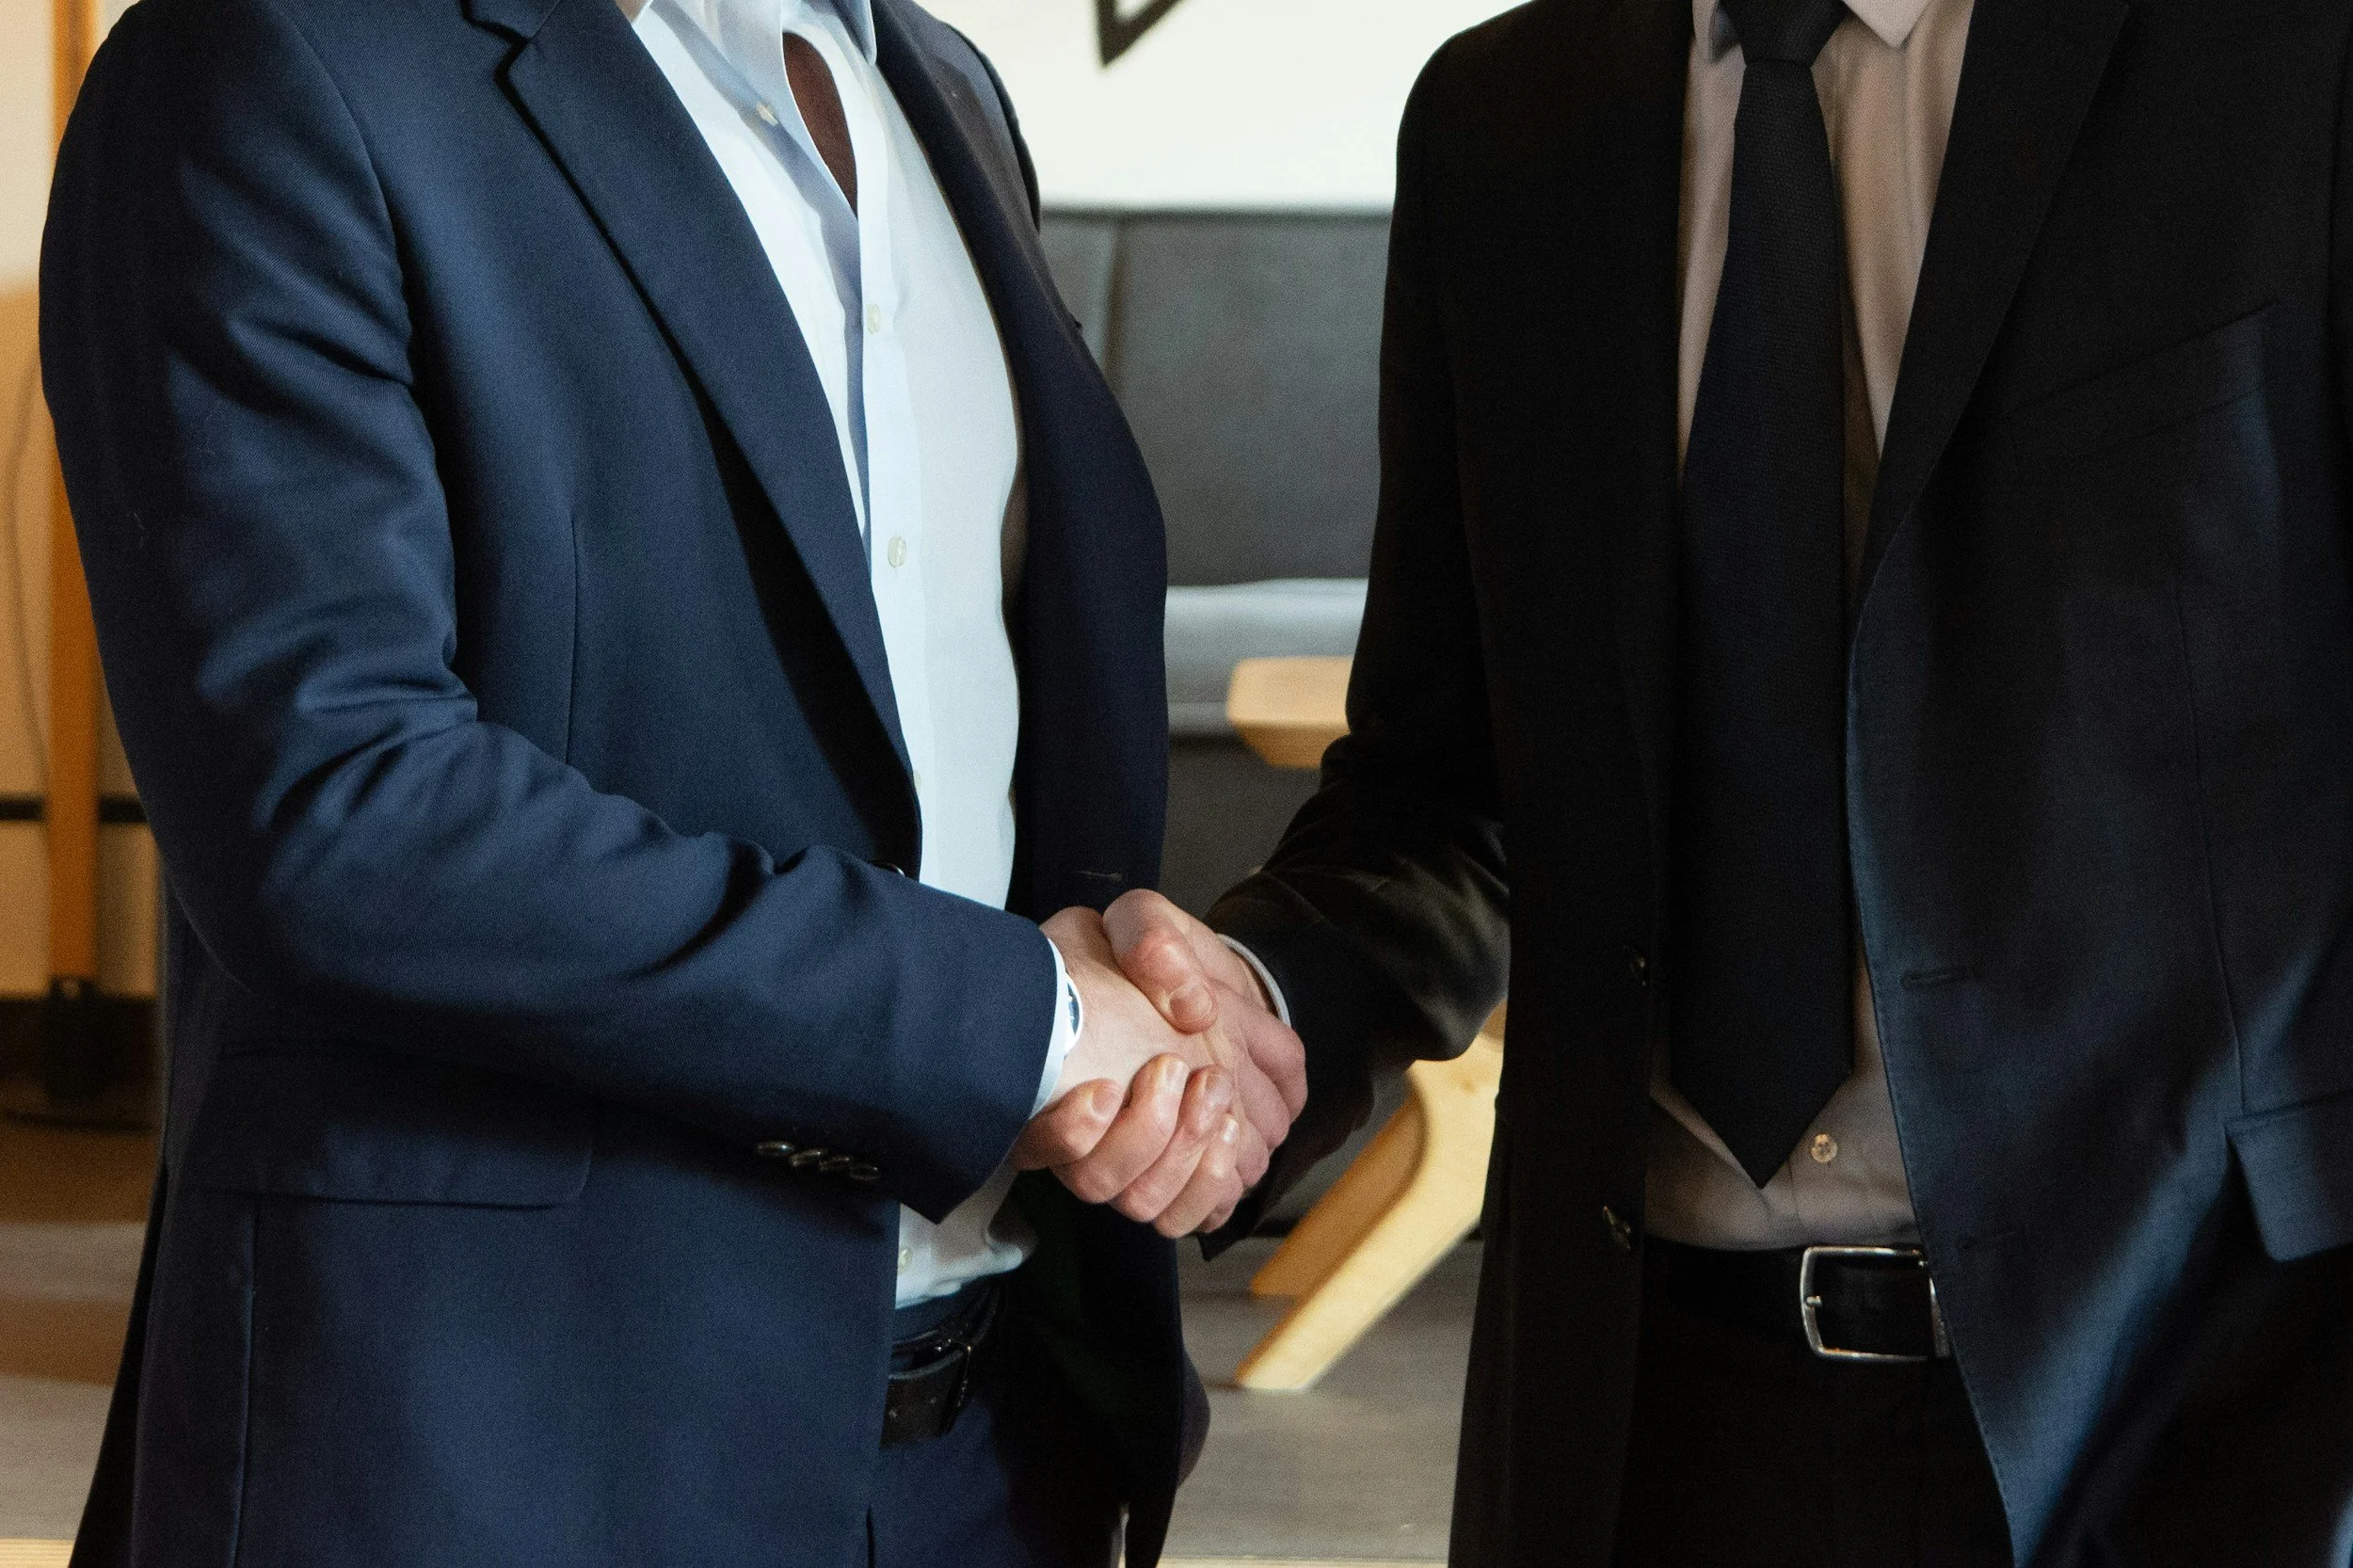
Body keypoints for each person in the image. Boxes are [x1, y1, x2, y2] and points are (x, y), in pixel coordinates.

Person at [40, 0, 1305, 1563]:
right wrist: (1019, 1020)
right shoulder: (269, 55)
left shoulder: (940, 86)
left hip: (993, 1457)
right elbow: (336, 810)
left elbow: (969, 727)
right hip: (506, 1461)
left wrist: (1168, 1004)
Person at [1105, 0, 2353, 1562]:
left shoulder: (2284, 56)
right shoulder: (1504, 121)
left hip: (2197, 1411)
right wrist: (1260, 1007)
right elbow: (1446, 789)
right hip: (1646, 1428)